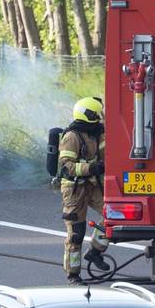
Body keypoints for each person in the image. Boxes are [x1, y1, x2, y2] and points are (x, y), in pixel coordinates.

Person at [57, 97, 111, 284]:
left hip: (93, 185)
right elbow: (66, 166)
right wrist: (91, 168)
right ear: (88, 116)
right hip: (74, 189)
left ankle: (95, 252)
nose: (100, 117)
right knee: (76, 233)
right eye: (97, 114)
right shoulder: (72, 136)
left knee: (113, 215)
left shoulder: (97, 133)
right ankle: (73, 275)